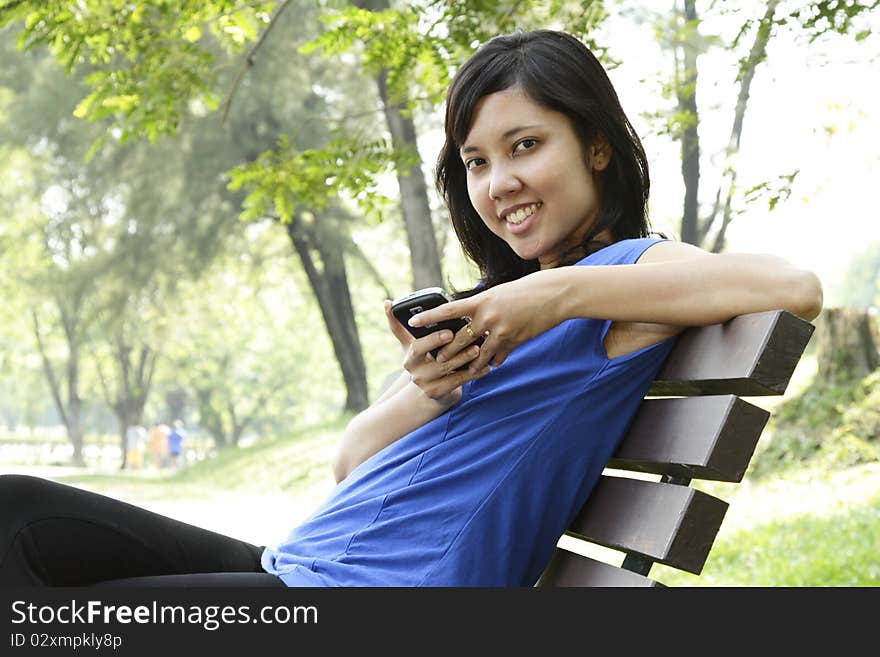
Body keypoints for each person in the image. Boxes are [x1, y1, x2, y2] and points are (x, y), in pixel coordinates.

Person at [0, 30, 822, 587]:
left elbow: (794, 288)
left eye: (525, 145)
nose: (498, 183)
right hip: (295, 567)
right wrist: (433, 386)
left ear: (597, 146)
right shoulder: (495, 314)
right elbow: (350, 458)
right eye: (476, 160)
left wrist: (548, 292)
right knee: (19, 514)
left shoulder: (624, 275)